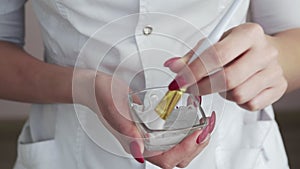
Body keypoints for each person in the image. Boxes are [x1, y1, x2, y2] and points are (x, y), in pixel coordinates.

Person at [0, 0, 300, 168]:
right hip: (73, 156)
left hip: (236, 155)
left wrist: (276, 60)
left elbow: (292, 36)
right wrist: (82, 87)